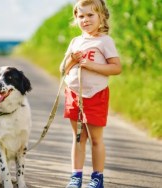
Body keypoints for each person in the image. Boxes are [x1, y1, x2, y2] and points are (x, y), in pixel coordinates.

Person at [59, 0, 122, 188]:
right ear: (76, 19)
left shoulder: (104, 41)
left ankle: (97, 178)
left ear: (101, 17)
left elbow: (116, 68)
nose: (85, 20)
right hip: (74, 94)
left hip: (95, 95)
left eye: (90, 15)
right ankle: (76, 176)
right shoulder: (75, 41)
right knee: (78, 137)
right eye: (81, 16)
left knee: (95, 139)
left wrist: (92, 65)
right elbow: (63, 69)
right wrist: (71, 59)